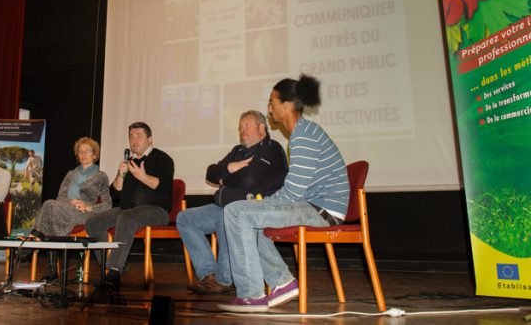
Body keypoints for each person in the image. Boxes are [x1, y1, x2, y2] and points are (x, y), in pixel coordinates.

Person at [217, 75, 350, 313]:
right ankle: (281, 282)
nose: (269, 108)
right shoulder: (303, 132)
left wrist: (264, 205)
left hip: (320, 210)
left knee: (237, 212)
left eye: (272, 102)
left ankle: (252, 295)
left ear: (287, 105)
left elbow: (294, 191)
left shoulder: (303, 134)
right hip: (312, 205)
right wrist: (263, 207)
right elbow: (295, 190)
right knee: (248, 216)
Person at [176, 110, 287, 294]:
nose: (242, 130)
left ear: (261, 128)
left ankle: (224, 280)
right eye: (240, 127)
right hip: (224, 206)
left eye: (247, 126)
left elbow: (249, 179)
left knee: (227, 215)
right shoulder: (238, 151)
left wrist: (224, 178)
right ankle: (209, 275)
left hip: (254, 211)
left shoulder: (272, 149)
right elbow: (211, 172)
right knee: (185, 219)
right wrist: (231, 167)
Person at [85, 122, 174, 289]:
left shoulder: (162, 159)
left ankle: (114, 271)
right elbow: (115, 193)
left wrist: (142, 176)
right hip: (127, 209)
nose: (134, 140)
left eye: (139, 136)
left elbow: (161, 185)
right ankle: (112, 264)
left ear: (150, 139)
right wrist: (120, 175)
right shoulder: (129, 161)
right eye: (131, 136)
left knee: (126, 218)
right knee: (92, 223)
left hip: (156, 210)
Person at [34, 137, 111, 280]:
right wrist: (71, 201)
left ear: (95, 155)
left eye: (87, 151)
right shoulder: (71, 174)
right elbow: (60, 197)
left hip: (84, 213)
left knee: (49, 205)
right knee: (51, 208)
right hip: (66, 209)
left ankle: (39, 235)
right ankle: (52, 265)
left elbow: (107, 204)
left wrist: (87, 206)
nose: (83, 154)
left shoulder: (101, 176)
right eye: (80, 152)